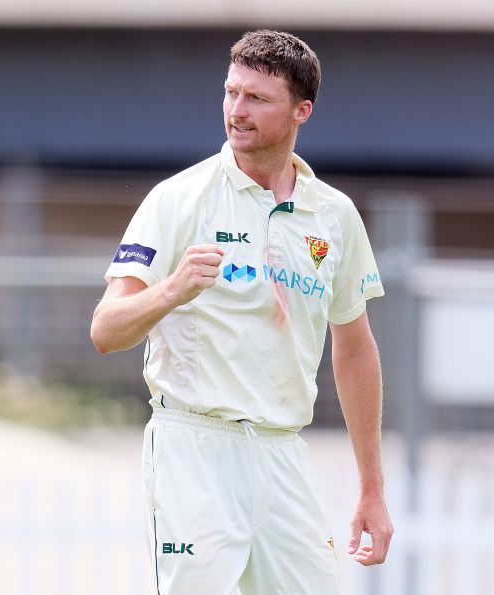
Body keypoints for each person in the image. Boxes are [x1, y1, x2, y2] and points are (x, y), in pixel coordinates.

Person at [90, 29, 393, 595]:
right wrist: (172, 291)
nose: (237, 110)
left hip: (284, 454)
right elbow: (105, 330)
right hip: (193, 452)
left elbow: (354, 351)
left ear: (302, 110)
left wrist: (371, 488)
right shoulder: (178, 199)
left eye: (258, 99)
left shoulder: (335, 215)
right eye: (232, 93)